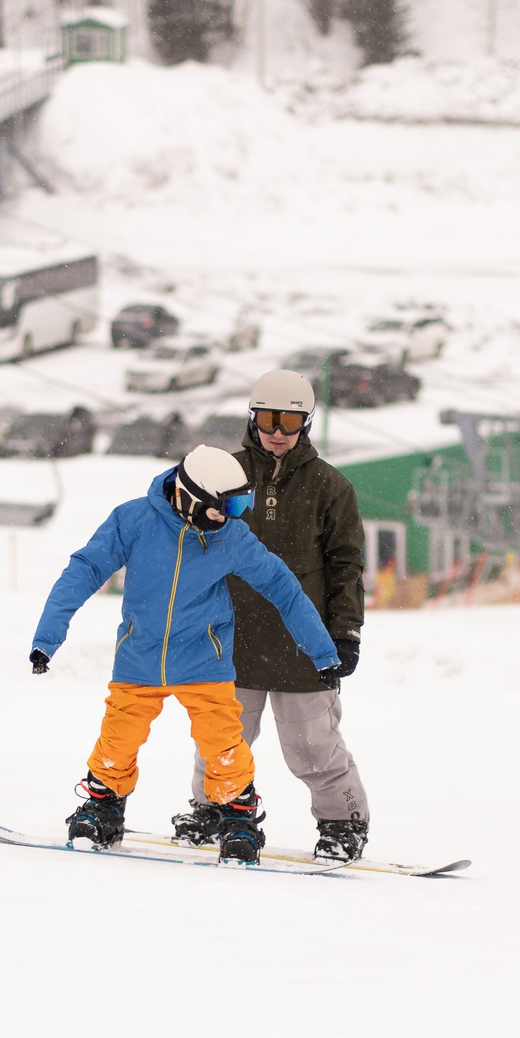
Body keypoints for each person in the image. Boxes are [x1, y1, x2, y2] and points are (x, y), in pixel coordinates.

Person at [31, 445, 341, 865]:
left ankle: (236, 816)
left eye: (241, 504)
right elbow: (85, 569)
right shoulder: (134, 520)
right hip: (140, 658)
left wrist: (323, 652)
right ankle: (102, 805)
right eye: (226, 506)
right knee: (118, 739)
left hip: (203, 661)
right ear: (192, 497)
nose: (234, 516)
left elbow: (282, 588)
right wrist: (47, 638)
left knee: (223, 743)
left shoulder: (229, 536)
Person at [173, 369, 373, 863]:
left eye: (288, 420)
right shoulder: (226, 475)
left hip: (303, 641)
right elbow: (190, 547)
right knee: (221, 737)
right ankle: (211, 811)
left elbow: (346, 565)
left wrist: (345, 632)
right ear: (253, 419)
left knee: (311, 747)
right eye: (267, 418)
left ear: (305, 424)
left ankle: (342, 823)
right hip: (230, 636)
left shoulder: (331, 487)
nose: (276, 431)